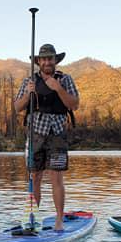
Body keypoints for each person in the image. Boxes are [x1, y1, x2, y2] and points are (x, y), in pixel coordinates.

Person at [14, 43, 80, 231]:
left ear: (55, 61)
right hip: (36, 133)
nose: (47, 62)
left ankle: (59, 219)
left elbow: (75, 104)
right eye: (43, 59)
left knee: (56, 176)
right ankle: (32, 218)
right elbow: (17, 107)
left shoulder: (65, 79)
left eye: (50, 58)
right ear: (38, 62)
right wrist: (28, 94)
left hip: (57, 133)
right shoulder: (29, 81)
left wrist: (58, 88)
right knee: (35, 176)